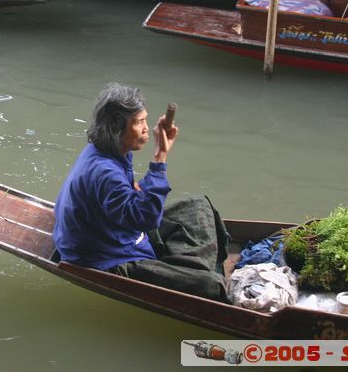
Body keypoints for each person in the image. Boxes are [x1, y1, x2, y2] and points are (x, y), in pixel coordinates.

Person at [53, 82, 229, 302]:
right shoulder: (105, 171)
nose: (146, 128)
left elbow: (124, 199)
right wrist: (160, 155)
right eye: (138, 122)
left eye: (145, 119)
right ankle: (193, 270)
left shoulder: (109, 150)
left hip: (118, 232)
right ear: (116, 129)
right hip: (106, 257)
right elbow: (145, 219)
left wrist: (140, 187)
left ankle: (186, 266)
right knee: (210, 285)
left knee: (199, 206)